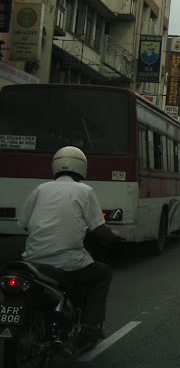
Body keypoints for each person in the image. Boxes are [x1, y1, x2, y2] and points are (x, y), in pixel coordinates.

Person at [18, 146, 119, 346]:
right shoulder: (85, 191)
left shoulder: (40, 189)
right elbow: (100, 228)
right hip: (68, 261)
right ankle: (90, 328)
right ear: (82, 168)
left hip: (32, 261)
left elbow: (24, 224)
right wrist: (114, 236)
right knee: (103, 274)